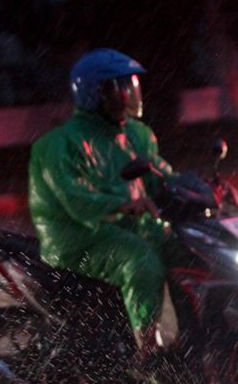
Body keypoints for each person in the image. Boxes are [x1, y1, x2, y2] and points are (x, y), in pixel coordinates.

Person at [29, 48, 175, 366]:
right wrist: (124, 204)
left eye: (131, 86)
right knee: (141, 260)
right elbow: (76, 199)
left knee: (182, 245)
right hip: (78, 239)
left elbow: (161, 175)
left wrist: (202, 189)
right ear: (96, 94)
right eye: (119, 88)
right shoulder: (59, 145)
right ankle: (147, 351)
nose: (129, 95)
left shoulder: (136, 135)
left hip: (126, 228)